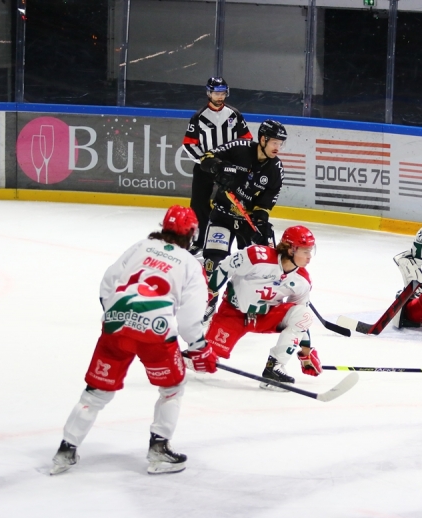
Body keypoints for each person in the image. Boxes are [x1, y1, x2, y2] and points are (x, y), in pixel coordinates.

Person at [50, 206, 217, 476]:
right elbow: (189, 319)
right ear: (192, 234)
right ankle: (159, 449)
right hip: (155, 332)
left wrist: (115, 314)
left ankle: (66, 450)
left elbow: (108, 281)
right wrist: (199, 347)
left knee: (95, 392)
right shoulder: (190, 264)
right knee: (172, 388)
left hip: (115, 327)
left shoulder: (141, 246)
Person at [204, 225, 322, 389]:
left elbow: (301, 318)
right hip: (233, 314)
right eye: (305, 251)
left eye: (311, 251)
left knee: (304, 315)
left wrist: (306, 353)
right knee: (201, 363)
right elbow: (225, 267)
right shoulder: (256, 256)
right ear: (290, 249)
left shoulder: (303, 280)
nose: (310, 257)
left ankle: (273, 368)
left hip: (266, 318)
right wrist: (209, 294)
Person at [197, 119, 287, 319]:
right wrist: (218, 168)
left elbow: (267, 200)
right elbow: (207, 158)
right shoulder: (239, 147)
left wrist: (261, 221)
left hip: (247, 221)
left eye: (281, 144)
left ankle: (248, 300)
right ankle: (209, 299)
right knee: (213, 260)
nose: (278, 148)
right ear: (263, 139)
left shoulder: (276, 169)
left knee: (256, 265)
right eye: (275, 142)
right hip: (222, 214)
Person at [183, 77, 252, 254]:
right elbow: (189, 144)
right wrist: (204, 160)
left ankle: (241, 244)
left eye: (222, 93)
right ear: (209, 93)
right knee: (198, 204)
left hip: (229, 169)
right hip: (205, 168)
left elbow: (246, 140)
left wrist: (238, 166)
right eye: (216, 93)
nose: (220, 96)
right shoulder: (199, 117)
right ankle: (200, 240)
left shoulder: (234, 115)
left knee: (234, 206)